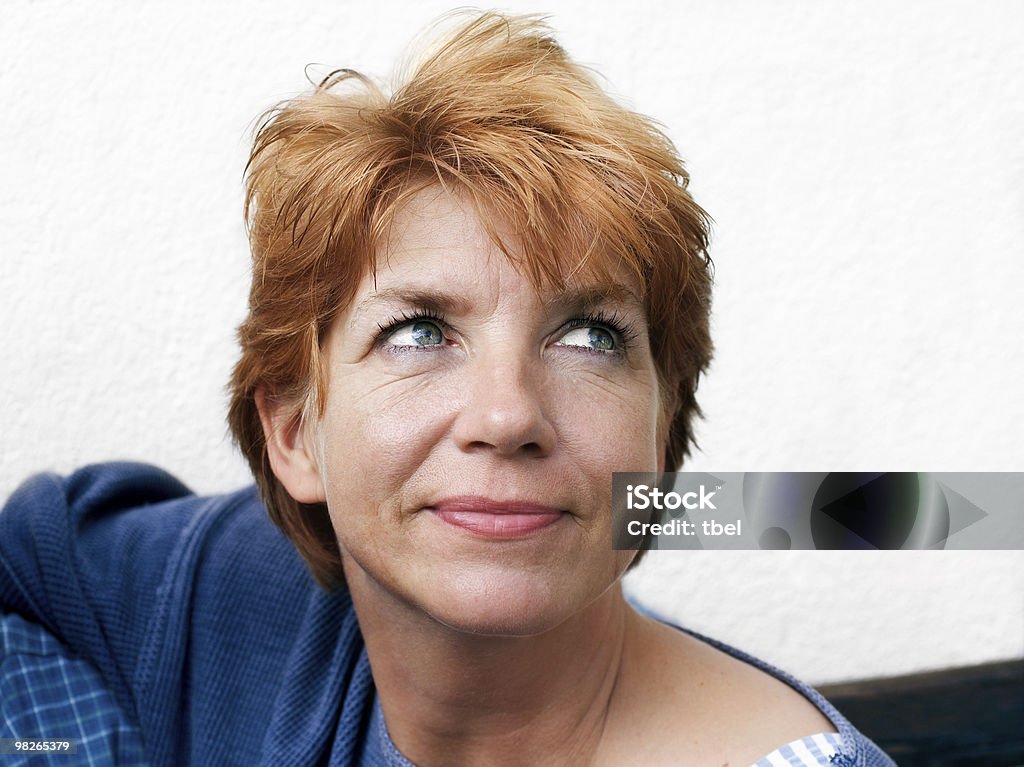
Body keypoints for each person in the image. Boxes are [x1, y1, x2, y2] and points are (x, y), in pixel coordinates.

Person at [0, 11, 894, 767]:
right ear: (294, 434)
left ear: (661, 437)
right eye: (419, 332)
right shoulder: (229, 599)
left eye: (590, 338)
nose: (507, 414)